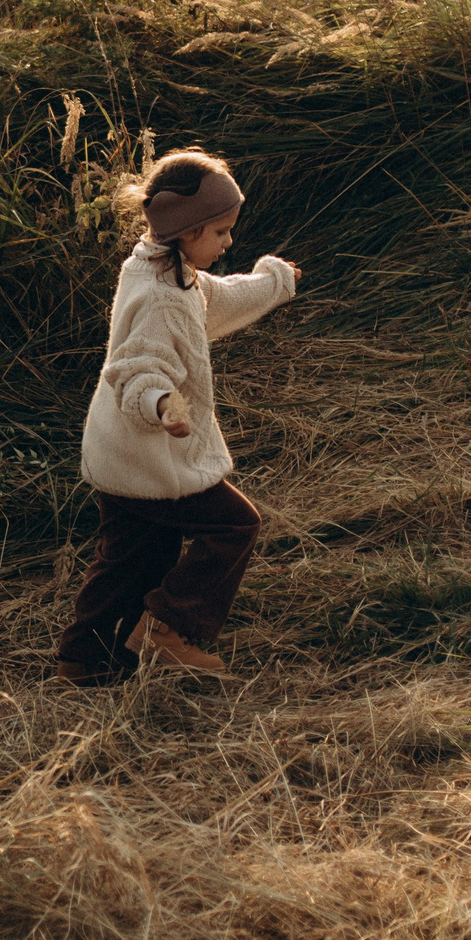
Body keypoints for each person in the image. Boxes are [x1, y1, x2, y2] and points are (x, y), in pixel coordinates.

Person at [55, 148, 299, 685]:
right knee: (236, 524)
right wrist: (162, 405)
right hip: (152, 452)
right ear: (186, 231)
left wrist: (273, 282)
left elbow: (214, 298)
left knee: (129, 558)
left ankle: (85, 660)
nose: (228, 242)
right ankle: (170, 629)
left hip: (121, 454)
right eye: (220, 232)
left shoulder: (159, 267)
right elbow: (138, 366)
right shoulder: (163, 296)